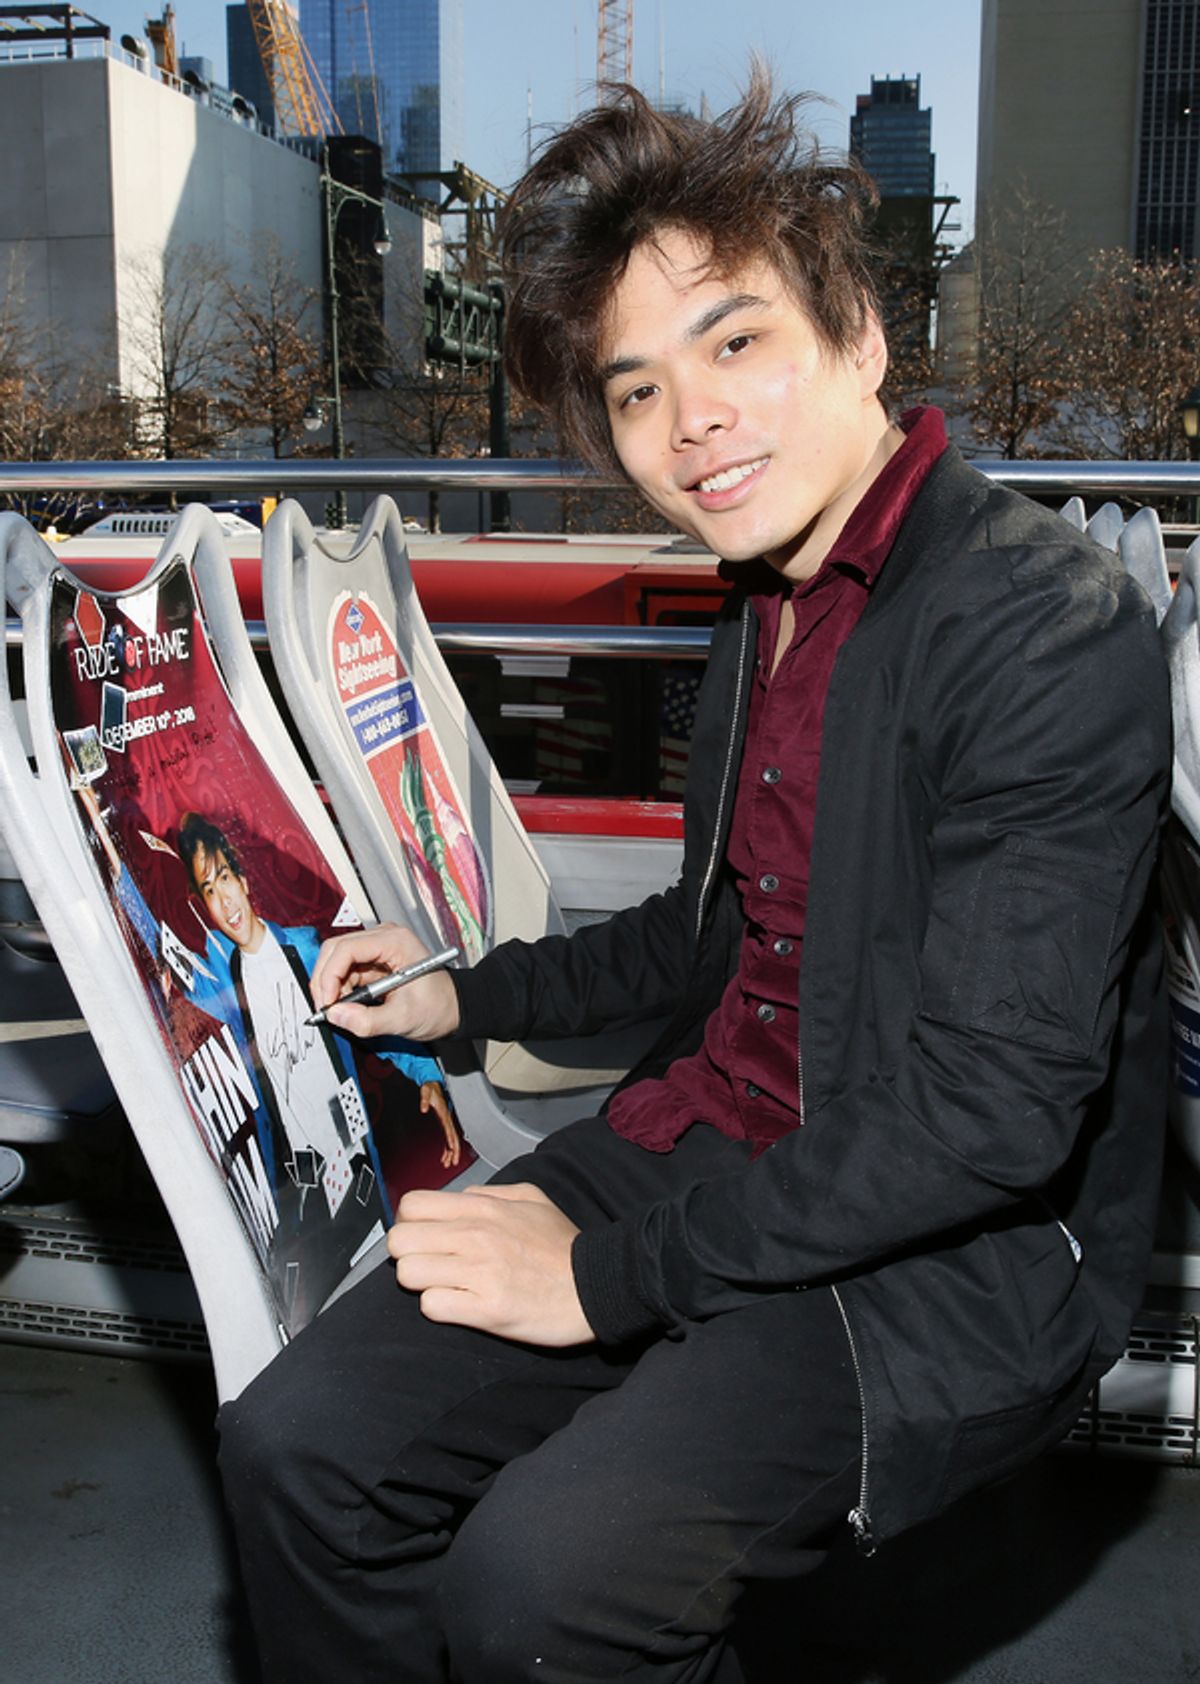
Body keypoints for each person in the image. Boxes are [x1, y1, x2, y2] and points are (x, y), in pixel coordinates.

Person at [217, 74, 1171, 1684]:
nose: (693, 424)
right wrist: (469, 983)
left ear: (857, 334)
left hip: (947, 1246)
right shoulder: (765, 600)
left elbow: (993, 1116)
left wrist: (602, 1277)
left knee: (549, 1581)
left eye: (737, 344)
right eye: (639, 390)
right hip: (719, 1145)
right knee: (299, 1446)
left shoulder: (1037, 625)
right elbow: (719, 932)